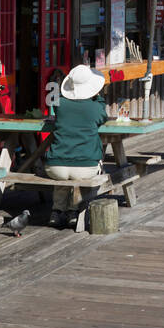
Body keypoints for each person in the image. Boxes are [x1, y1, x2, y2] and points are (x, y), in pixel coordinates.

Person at [45, 64, 109, 228]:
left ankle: (57, 210)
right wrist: (98, 96)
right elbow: (103, 116)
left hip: (55, 165)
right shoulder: (95, 107)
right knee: (77, 174)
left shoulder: (60, 104)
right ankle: (73, 210)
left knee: (63, 176)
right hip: (85, 166)